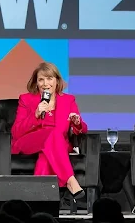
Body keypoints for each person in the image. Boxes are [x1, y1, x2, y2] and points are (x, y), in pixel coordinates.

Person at [11, 62, 87, 203]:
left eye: (49, 78)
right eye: (41, 79)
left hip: (57, 145)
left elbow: (82, 127)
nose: (45, 83)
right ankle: (70, 181)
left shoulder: (68, 100)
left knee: (47, 154)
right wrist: (35, 114)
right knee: (52, 135)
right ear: (36, 82)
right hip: (29, 142)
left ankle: (39, 200)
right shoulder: (26, 99)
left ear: (57, 81)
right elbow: (16, 132)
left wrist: (77, 123)